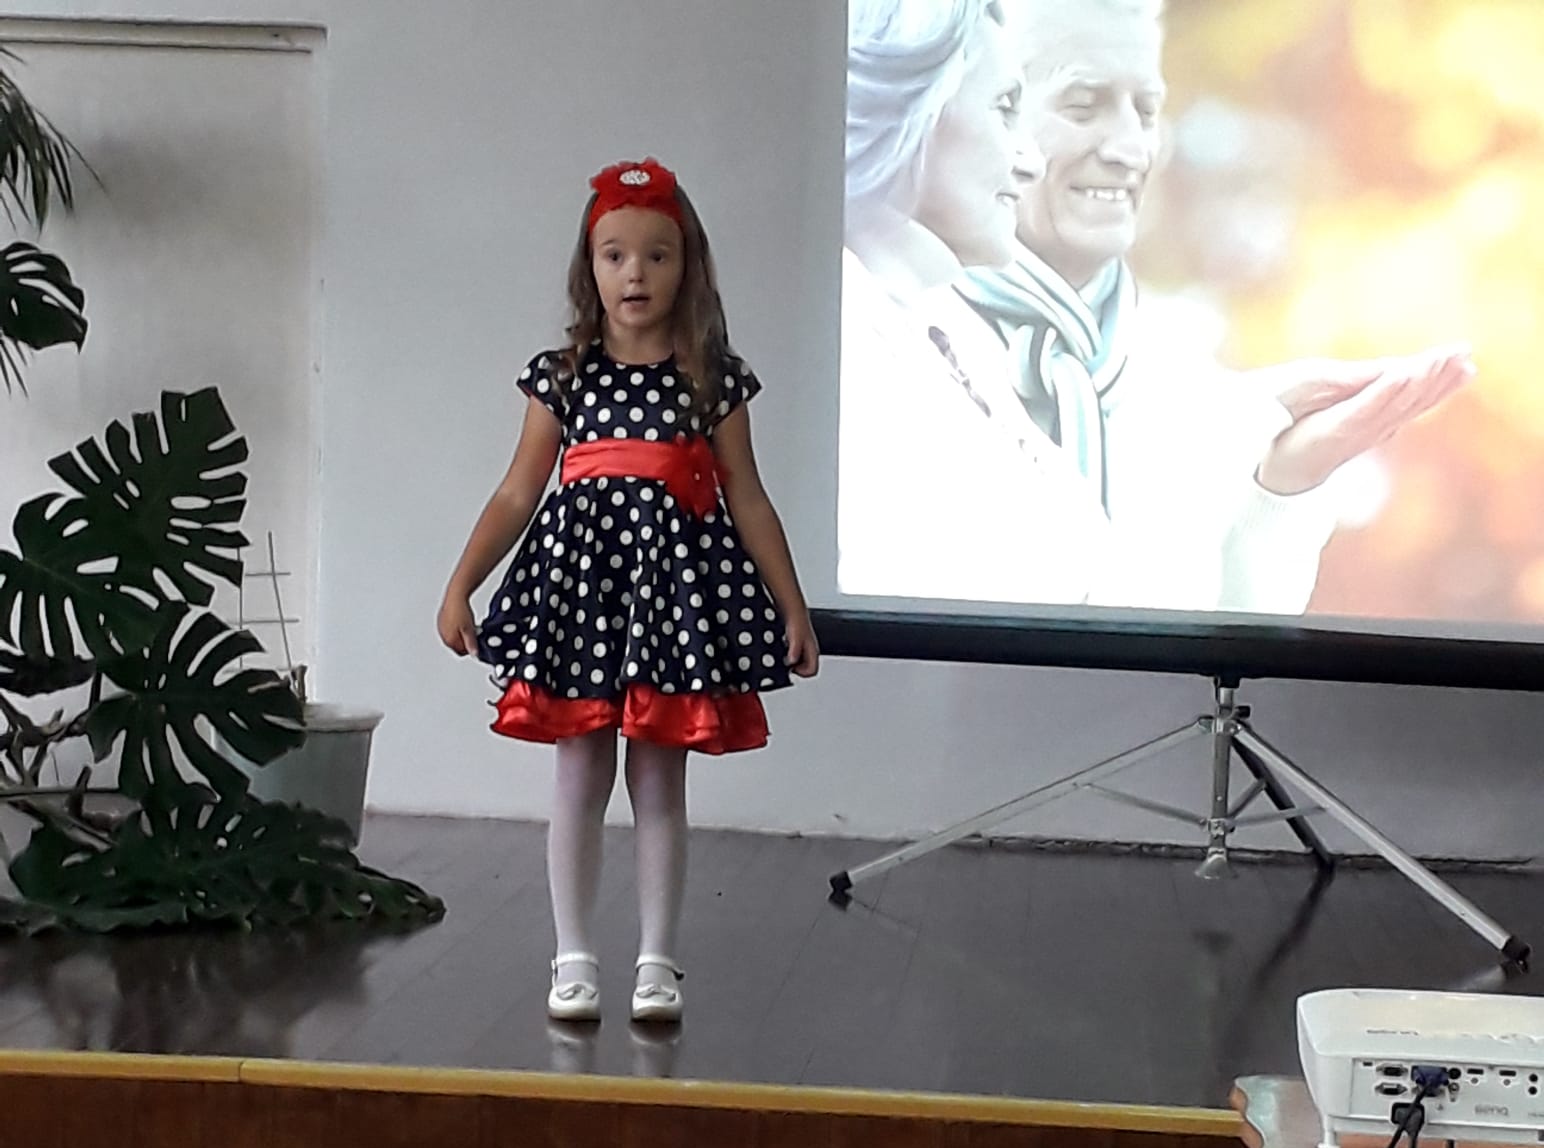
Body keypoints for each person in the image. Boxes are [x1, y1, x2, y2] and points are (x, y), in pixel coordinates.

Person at [437, 159, 818, 1024]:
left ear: (688, 267)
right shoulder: (564, 376)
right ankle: (573, 957)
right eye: (614, 256)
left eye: (656, 255)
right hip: (581, 599)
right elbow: (517, 492)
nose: (634, 274)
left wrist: (791, 606)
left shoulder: (712, 380)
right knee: (579, 773)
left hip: (670, 608)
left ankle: (657, 962)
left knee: (659, 778)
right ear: (591, 267)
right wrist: (462, 584)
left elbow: (749, 498)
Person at [955, 0, 1474, 614]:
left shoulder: (1177, 369)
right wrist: (1226, 439)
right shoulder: (897, 344)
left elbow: (1211, 641)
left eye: (1146, 111)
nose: (1130, 148)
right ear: (989, 113)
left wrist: (1277, 491)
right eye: (1083, 106)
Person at [841, 0, 1109, 606]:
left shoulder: (949, 330)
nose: (1031, 162)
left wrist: (1268, 485)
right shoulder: (843, 350)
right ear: (912, 108)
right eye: (1004, 108)